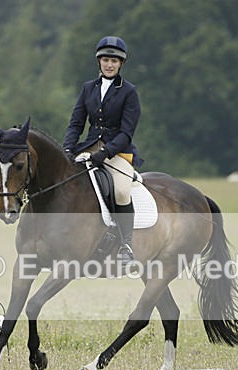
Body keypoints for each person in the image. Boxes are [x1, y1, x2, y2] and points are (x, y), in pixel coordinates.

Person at [63, 35, 143, 271]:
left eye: (114, 61)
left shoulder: (129, 92)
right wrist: (68, 147)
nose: (110, 64)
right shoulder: (88, 88)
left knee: (120, 190)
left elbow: (127, 132)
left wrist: (106, 152)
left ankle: (126, 245)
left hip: (118, 153)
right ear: (99, 62)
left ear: (121, 64)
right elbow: (76, 122)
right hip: (87, 149)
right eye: (106, 60)